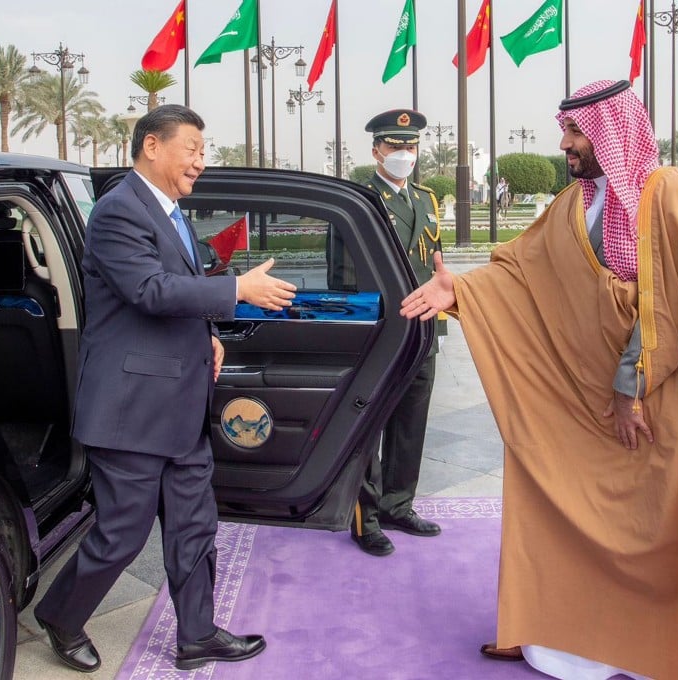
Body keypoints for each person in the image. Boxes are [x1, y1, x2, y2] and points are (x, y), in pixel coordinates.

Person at [400, 80, 678, 680]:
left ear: (609, 132)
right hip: (596, 399)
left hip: (663, 402)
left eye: (576, 131)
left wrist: (632, 387)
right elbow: (524, 272)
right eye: (566, 130)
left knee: (667, 525)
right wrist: (461, 290)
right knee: (559, 490)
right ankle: (578, 638)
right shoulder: (575, 203)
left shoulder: (667, 194)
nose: (565, 143)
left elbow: (674, 303)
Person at [33, 104, 296, 673]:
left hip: (180, 404)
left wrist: (208, 336)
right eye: (193, 149)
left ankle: (196, 635)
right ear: (152, 146)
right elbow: (149, 290)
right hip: (130, 409)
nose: (201, 162)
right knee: (121, 536)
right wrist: (237, 289)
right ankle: (60, 614)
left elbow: (179, 289)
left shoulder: (172, 212)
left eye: (204, 151)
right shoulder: (118, 211)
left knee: (195, 526)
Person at [350, 109, 446, 557]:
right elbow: (345, 271)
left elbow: (435, 265)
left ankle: (397, 505)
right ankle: (365, 518)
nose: (404, 154)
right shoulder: (360, 199)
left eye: (410, 146)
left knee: (411, 422)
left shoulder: (426, 199)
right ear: (376, 150)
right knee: (370, 427)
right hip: (381, 331)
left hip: (422, 330)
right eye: (395, 146)